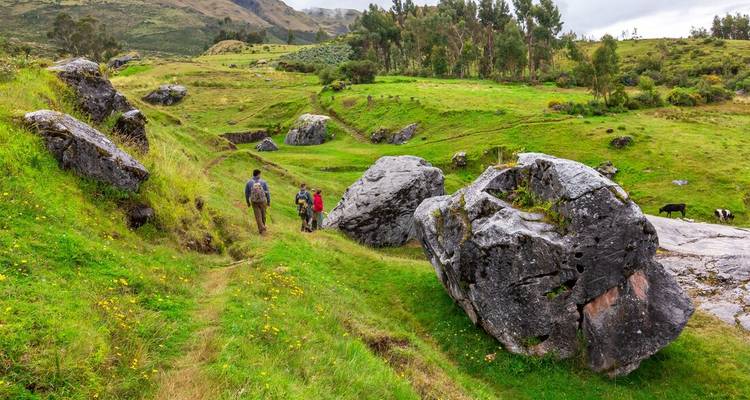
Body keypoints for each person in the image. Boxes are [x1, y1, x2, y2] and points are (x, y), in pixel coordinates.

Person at [245, 169, 270, 234]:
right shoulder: (263, 182)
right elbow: (267, 192)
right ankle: (263, 228)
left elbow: (246, 193)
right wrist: (268, 201)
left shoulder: (249, 182)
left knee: (258, 216)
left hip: (254, 202)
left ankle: (261, 229)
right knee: (263, 215)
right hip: (263, 201)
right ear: (258, 174)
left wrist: (248, 202)